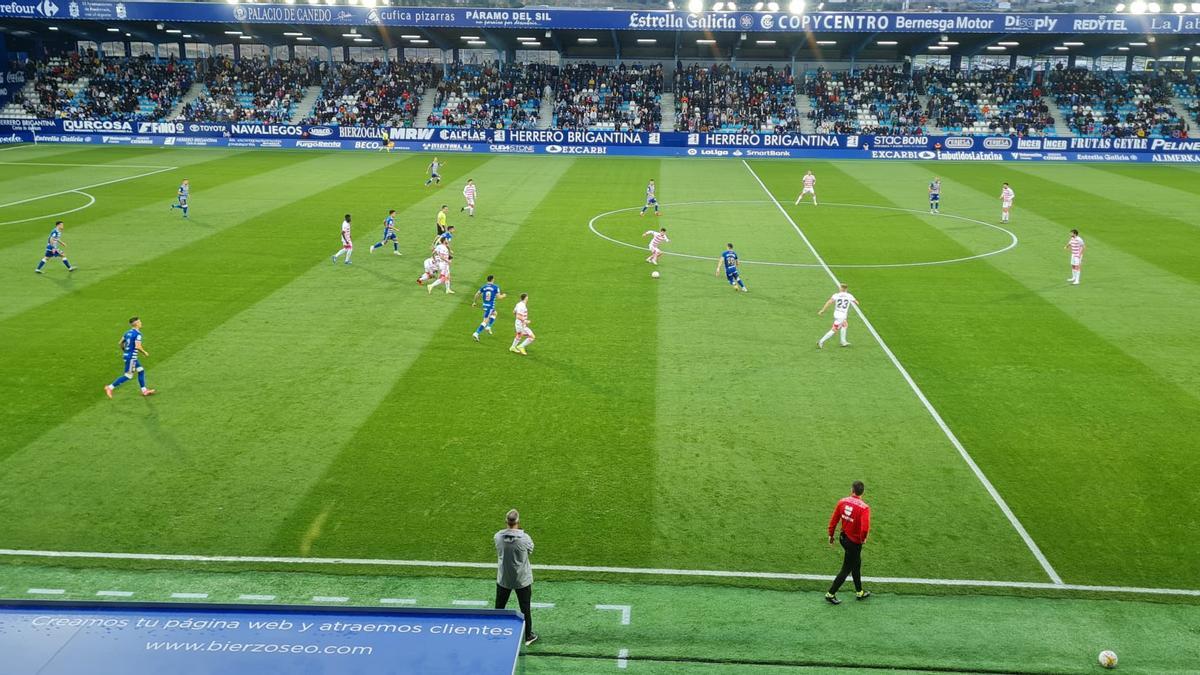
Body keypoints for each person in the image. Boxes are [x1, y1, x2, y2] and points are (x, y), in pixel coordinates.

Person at [494, 509, 538, 646]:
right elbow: (530, 550)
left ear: (506, 521)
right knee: (525, 608)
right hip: (522, 579)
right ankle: (528, 636)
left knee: (499, 607)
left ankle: (495, 630)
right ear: (518, 521)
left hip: (504, 579)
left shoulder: (497, 537)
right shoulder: (525, 539)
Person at [824, 481, 871, 605]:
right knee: (847, 568)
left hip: (843, 538)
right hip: (854, 543)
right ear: (863, 492)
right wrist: (863, 538)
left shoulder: (842, 501)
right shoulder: (864, 508)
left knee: (856, 563)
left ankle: (859, 591)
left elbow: (834, 519)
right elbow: (865, 528)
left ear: (852, 490)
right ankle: (830, 593)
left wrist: (831, 534)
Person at [104, 316, 156, 399]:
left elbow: (120, 343)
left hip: (128, 356)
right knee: (128, 376)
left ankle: (144, 390)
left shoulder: (127, 333)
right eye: (140, 322)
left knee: (141, 370)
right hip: (132, 358)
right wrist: (145, 352)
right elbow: (138, 346)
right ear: (136, 324)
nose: (141, 323)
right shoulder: (138, 334)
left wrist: (125, 351)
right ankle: (110, 387)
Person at [817, 283, 858, 349]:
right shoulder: (849, 296)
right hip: (842, 316)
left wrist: (823, 310)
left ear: (841, 288)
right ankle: (821, 341)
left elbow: (829, 302)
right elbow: (857, 302)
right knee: (834, 330)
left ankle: (843, 342)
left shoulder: (836, 295)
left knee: (845, 325)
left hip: (836, 313)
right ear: (846, 289)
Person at [472, 275, 506, 341]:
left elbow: (477, 294)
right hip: (490, 307)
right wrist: (504, 295)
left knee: (495, 313)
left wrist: (474, 302)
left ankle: (488, 327)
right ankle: (476, 333)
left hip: (485, 305)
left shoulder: (484, 287)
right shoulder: (495, 287)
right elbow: (499, 297)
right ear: (492, 279)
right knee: (485, 321)